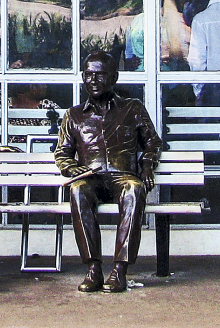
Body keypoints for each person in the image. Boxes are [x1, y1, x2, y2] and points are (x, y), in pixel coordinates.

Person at [54, 52, 162, 293]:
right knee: (77, 189)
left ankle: (120, 270)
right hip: (91, 179)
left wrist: (146, 166)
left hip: (123, 177)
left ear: (114, 77)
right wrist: (74, 169)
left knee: (134, 189)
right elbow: (62, 153)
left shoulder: (132, 108)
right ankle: (93, 269)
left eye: (100, 75)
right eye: (88, 75)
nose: (93, 80)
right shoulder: (73, 115)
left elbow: (153, 142)